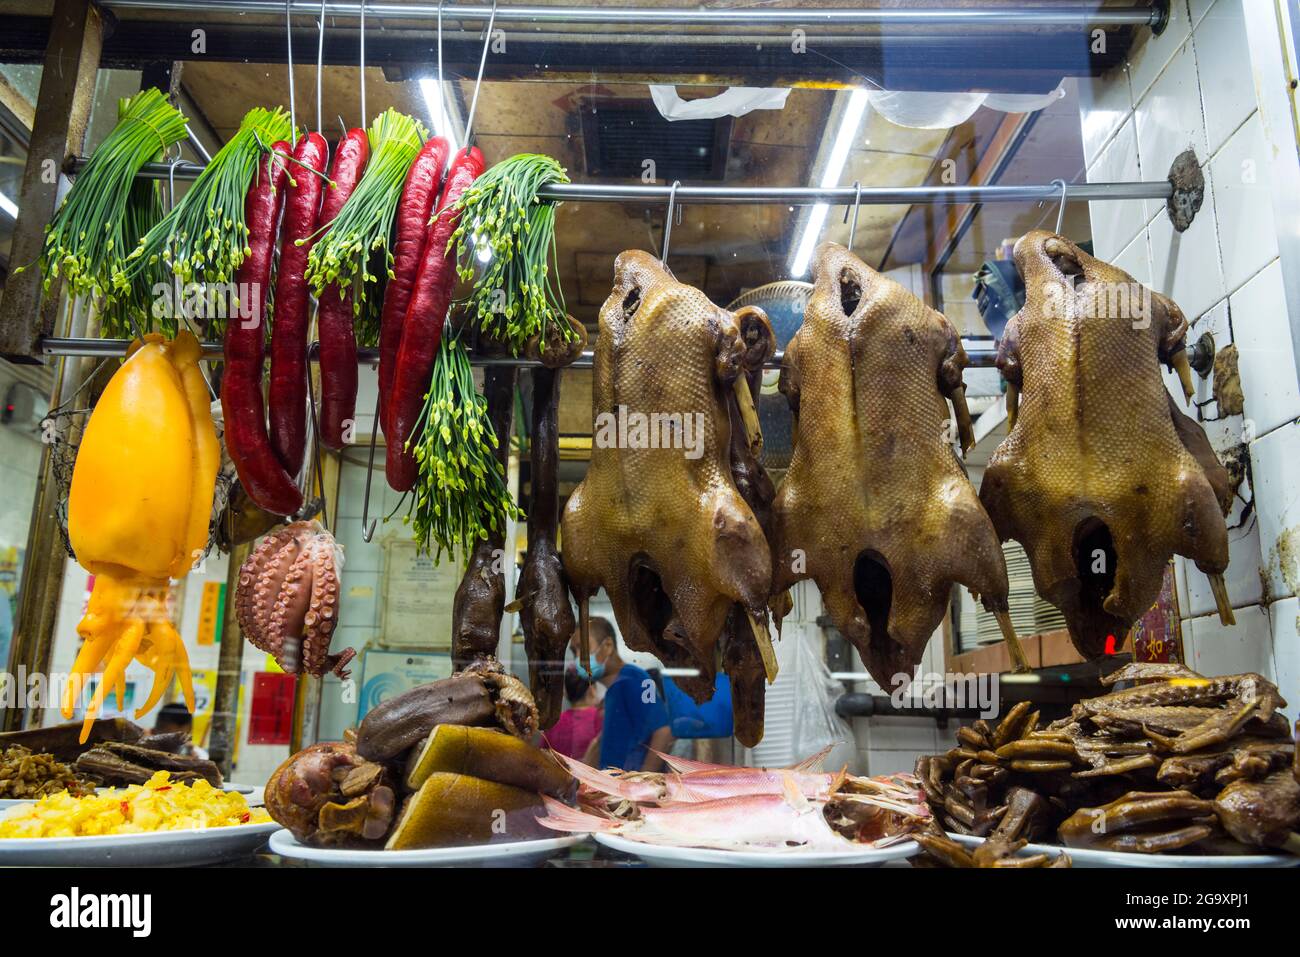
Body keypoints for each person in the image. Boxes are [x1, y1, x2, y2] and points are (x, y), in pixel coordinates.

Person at [570, 616, 673, 771]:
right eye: (574, 651)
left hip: (633, 790)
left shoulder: (637, 679)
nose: (578, 657)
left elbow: (663, 731)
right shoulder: (613, 690)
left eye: (583, 648)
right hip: (616, 788)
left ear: (608, 645)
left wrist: (644, 782)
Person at [542, 668, 603, 759]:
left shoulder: (553, 722)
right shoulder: (600, 718)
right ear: (591, 690)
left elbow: (543, 756)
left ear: (565, 693)